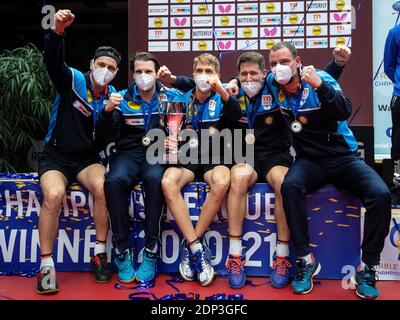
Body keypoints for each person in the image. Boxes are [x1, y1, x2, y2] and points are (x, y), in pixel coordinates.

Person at [268, 41, 391, 299]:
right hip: (309, 161)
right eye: (273, 64)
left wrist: (321, 85)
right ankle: (305, 259)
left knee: (380, 194)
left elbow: (343, 109)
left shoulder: (319, 79)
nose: (278, 68)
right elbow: (247, 79)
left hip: (342, 157)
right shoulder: (272, 83)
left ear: (297, 61)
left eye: (283, 62)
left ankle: (367, 267)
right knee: (289, 185)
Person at [37, 9, 121, 293]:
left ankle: (99, 253)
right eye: (101, 65)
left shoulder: (113, 97)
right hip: (56, 155)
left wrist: (109, 114)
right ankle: (46, 265)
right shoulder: (73, 80)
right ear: (91, 64)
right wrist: (57, 32)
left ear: (116, 73)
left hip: (86, 159)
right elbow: (52, 63)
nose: (105, 71)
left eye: (111, 68)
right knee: (54, 195)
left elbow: (108, 137)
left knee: (103, 186)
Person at [160, 53, 241, 286]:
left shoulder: (224, 99)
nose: (204, 76)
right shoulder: (180, 100)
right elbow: (171, 136)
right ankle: (197, 248)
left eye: (209, 71)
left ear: (217, 76)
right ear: (193, 74)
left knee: (223, 181)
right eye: (200, 71)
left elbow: (237, 114)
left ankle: (189, 245)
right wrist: (168, 142)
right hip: (186, 158)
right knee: (167, 182)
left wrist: (223, 91)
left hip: (214, 158)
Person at [96, 52, 177, 283]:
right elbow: (103, 133)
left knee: (154, 181)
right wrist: (107, 111)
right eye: (139, 72)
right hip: (128, 153)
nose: (143, 76)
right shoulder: (120, 98)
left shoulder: (170, 96)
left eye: (148, 71)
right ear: (133, 74)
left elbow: (197, 95)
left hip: (155, 152)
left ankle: (151, 250)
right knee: (113, 181)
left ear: (156, 73)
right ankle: (122, 251)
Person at [384, 24, 400, 203]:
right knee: (398, 143)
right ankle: (398, 186)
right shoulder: (395, 32)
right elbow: (389, 66)